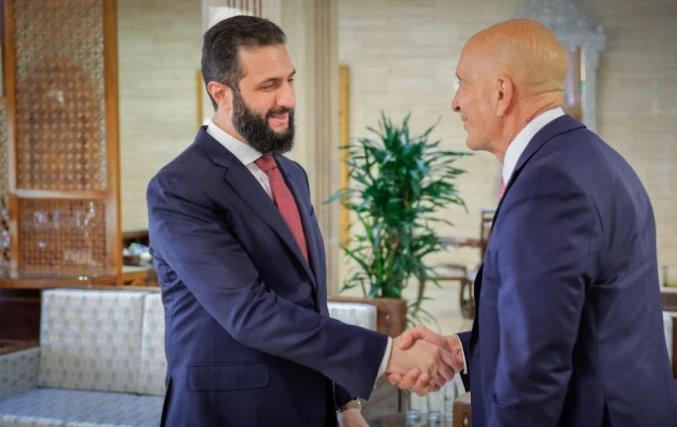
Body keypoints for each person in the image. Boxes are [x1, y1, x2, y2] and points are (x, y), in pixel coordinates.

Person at [146, 15, 459, 427]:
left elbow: (309, 304)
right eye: (268, 86)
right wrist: (388, 355)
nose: (288, 99)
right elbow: (249, 312)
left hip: (309, 409)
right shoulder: (179, 187)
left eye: (289, 80)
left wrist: (345, 405)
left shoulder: (291, 175)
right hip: (226, 415)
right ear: (221, 93)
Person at [390, 19, 677, 427]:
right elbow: (567, 327)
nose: (456, 102)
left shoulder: (549, 187)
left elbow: (533, 372)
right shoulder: (593, 159)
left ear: (501, 93)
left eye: (462, 83)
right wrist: (463, 351)